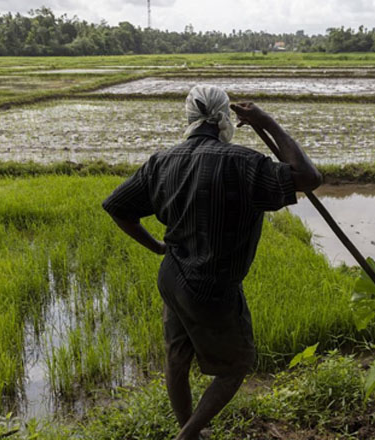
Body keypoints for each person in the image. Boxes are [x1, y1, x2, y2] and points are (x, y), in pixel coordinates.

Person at [102, 84, 321, 440]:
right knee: (237, 365)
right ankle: (187, 436)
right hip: (211, 285)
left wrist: (157, 246)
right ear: (223, 119)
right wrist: (266, 121)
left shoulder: (162, 161)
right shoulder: (244, 163)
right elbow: (309, 178)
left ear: (189, 118)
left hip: (172, 277)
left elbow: (117, 207)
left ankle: (187, 430)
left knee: (177, 356)